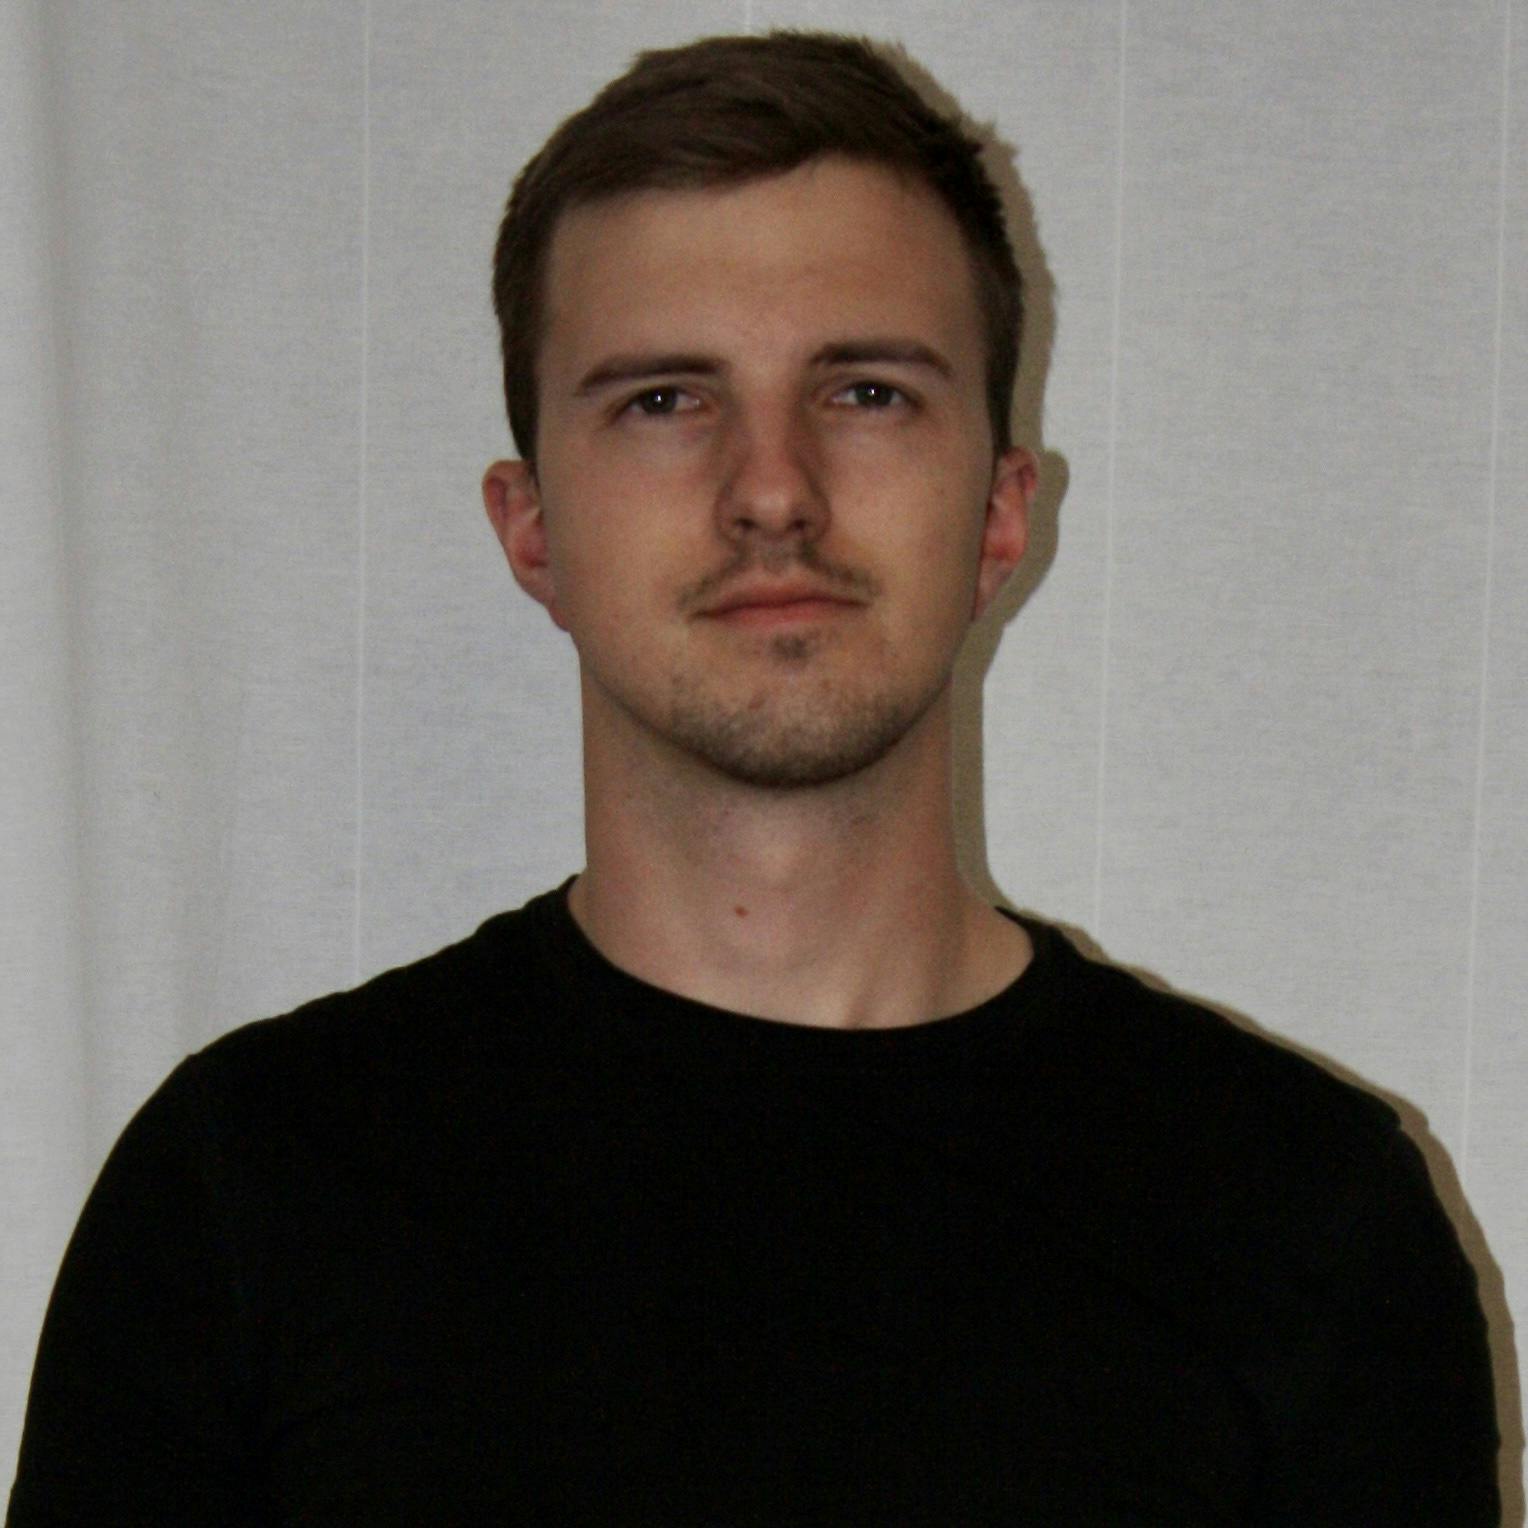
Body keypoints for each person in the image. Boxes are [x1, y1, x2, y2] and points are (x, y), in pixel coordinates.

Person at [8, 31, 1500, 1526]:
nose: (773, 489)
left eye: (867, 393)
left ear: (1001, 513)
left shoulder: (1303, 1216)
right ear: (532, 529)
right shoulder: (251, 1193)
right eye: (665, 400)